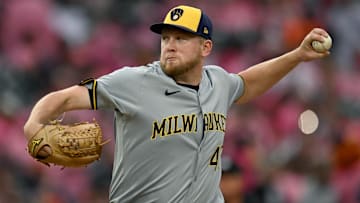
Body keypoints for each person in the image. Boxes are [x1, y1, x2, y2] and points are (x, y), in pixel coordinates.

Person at [23, 4, 330, 203]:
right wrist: (33, 125)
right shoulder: (132, 82)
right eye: (166, 38)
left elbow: (247, 83)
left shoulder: (218, 83)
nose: (169, 46)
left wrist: (298, 55)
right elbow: (63, 98)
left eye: (181, 39)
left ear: (205, 46)